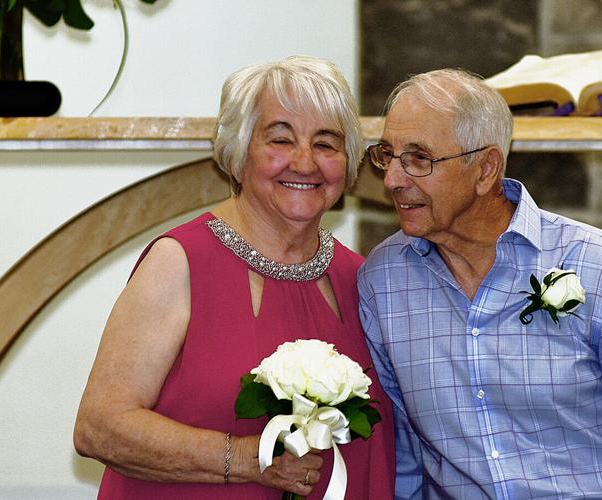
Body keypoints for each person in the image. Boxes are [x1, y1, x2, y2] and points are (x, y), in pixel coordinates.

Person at [358, 68, 602, 498]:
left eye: (419, 158)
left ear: (485, 169)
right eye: (387, 154)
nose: (393, 180)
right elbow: (400, 465)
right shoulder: (383, 280)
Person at [74, 55, 395, 499]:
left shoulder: (362, 280)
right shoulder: (180, 263)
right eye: (280, 140)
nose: (304, 162)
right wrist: (251, 458)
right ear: (239, 151)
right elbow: (100, 427)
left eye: (326, 144)